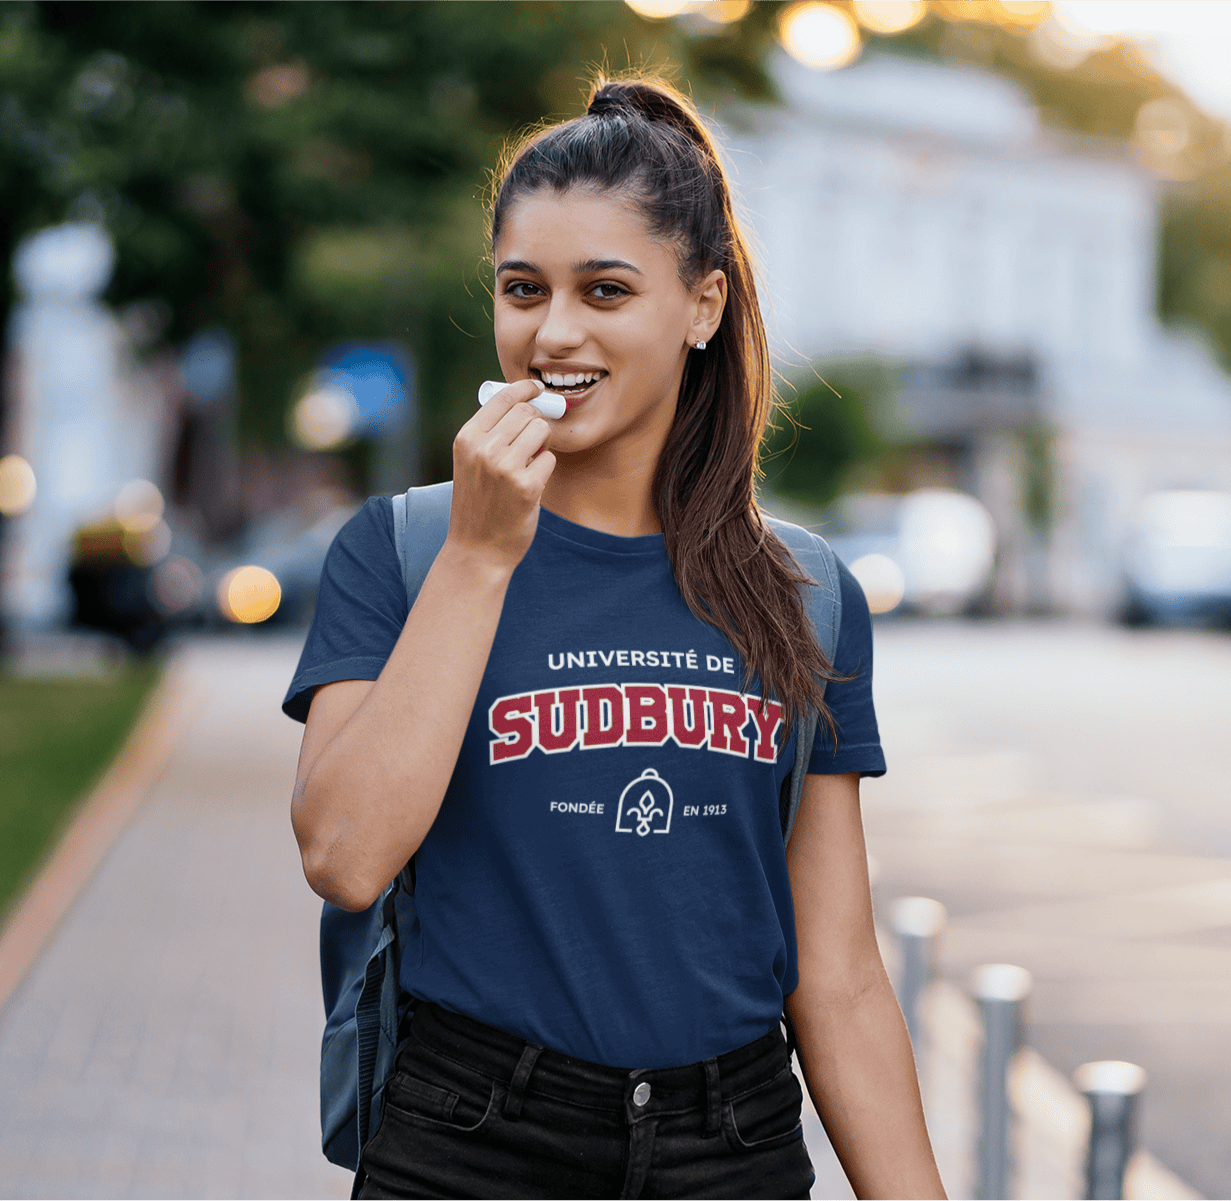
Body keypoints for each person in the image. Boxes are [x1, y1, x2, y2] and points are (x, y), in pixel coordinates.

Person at [284, 74, 945, 1201]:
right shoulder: (398, 552)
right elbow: (344, 856)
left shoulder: (805, 593)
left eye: (605, 290)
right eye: (522, 289)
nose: (554, 332)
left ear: (703, 306)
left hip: (728, 1145)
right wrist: (482, 557)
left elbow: (834, 976)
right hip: (473, 1137)